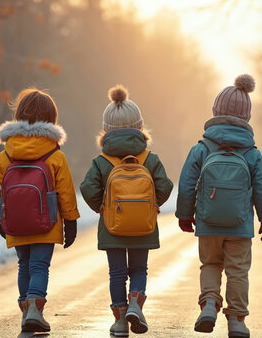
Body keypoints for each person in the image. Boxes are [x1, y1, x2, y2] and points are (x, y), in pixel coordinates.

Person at [176, 74, 262, 338]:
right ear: (247, 117)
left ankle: (209, 303)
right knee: (238, 271)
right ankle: (237, 321)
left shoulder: (202, 148)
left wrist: (185, 215)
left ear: (216, 111)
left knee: (210, 264)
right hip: (240, 225)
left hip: (208, 224)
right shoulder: (252, 152)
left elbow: (187, 184)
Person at [80, 85, 173, 337]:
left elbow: (88, 189)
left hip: (112, 227)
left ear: (106, 129)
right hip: (143, 226)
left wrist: (103, 208)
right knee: (139, 270)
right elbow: (165, 186)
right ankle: (136, 304)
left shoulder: (102, 161)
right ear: (140, 127)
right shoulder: (149, 159)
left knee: (117, 273)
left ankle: (120, 321)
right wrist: (153, 206)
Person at [0, 88, 79, 333]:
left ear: (19, 115)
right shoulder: (53, 153)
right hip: (46, 222)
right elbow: (65, 190)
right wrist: (70, 220)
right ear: (51, 118)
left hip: (15, 221)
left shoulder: (7, 153)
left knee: (24, 265)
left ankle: (26, 312)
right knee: (40, 265)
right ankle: (35, 310)